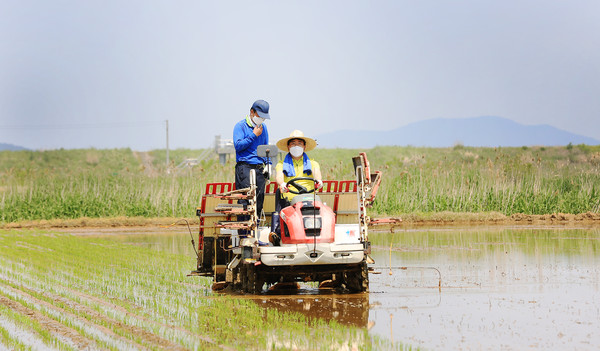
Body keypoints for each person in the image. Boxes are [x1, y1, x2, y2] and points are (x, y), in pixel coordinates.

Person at [233, 99, 272, 223]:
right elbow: (238, 146)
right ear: (252, 112)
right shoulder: (240, 126)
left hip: (260, 167)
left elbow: (266, 148)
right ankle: (244, 235)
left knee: (259, 199)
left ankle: (256, 232)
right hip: (244, 167)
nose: (262, 119)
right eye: (260, 116)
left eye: (264, 118)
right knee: (245, 200)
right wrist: (254, 135)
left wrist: (269, 165)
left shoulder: (263, 128)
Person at [274, 130, 323, 213]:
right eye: (293, 143)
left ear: (304, 147)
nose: (296, 146)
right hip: (289, 202)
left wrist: (319, 181)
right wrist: (282, 184)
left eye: (299, 143)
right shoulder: (281, 164)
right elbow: (279, 176)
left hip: (309, 200)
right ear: (288, 146)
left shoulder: (313, 163)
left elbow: (317, 173)